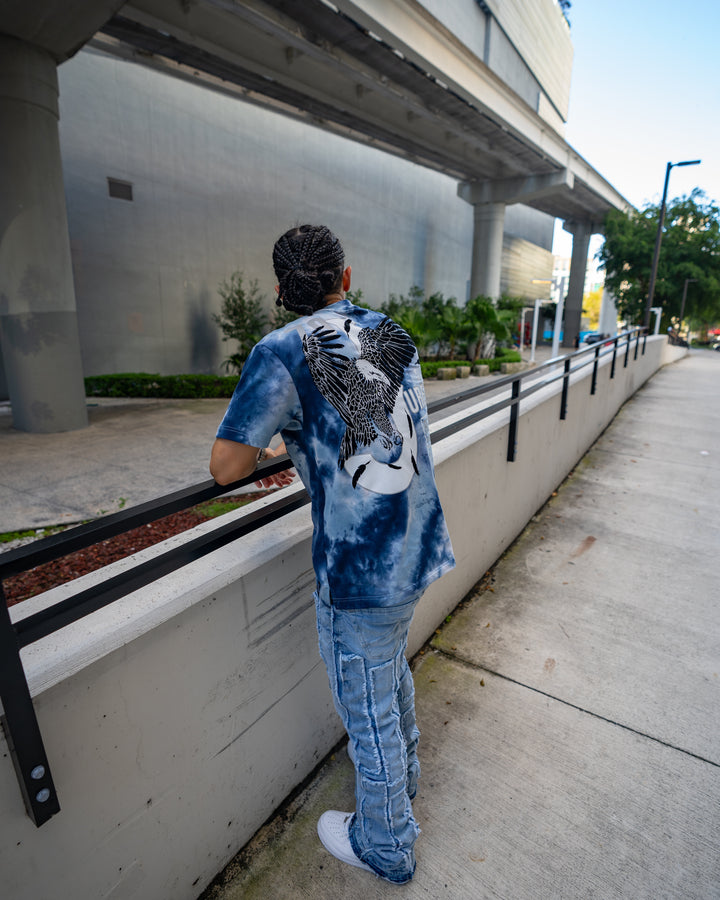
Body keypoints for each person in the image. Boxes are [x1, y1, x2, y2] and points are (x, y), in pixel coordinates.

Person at [209, 224, 455, 884]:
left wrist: (271, 442)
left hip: (359, 573)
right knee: (387, 673)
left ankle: (387, 844)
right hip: (419, 547)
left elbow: (225, 466)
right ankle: (405, 780)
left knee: (365, 710)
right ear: (345, 279)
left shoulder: (281, 350)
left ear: (281, 292)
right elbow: (374, 419)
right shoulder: (388, 331)